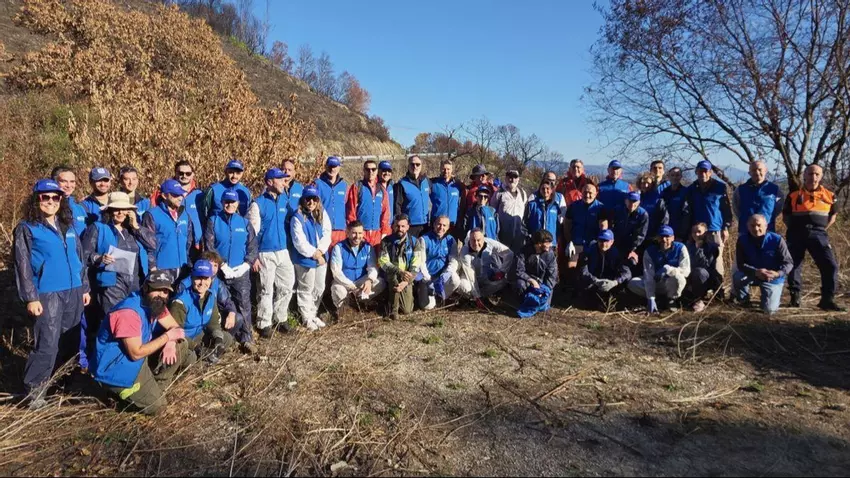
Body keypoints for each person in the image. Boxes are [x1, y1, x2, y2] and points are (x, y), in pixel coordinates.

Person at [14, 179, 91, 408]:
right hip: (48, 294)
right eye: (45, 197)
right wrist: (31, 297)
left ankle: (63, 384)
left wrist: (85, 287)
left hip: (74, 291)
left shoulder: (67, 225)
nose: (50, 201)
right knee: (47, 343)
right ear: (36, 199)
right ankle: (34, 393)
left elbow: (79, 259)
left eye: (55, 197)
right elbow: (22, 265)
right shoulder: (27, 228)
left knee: (71, 341)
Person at [91, 270, 194, 415]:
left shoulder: (156, 305)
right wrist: (167, 337)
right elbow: (135, 353)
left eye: (165, 291)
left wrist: (171, 342)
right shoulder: (128, 313)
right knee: (158, 408)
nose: (162, 295)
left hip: (137, 358)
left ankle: (155, 387)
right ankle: (113, 396)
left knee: (180, 345)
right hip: (116, 367)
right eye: (157, 289)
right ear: (146, 288)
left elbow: (175, 328)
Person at [81, 192, 156, 369]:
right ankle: (106, 365)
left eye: (124, 209)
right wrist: (99, 258)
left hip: (135, 283)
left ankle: (128, 364)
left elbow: (153, 244)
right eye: (116, 209)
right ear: (109, 210)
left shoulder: (132, 230)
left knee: (134, 322)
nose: (120, 213)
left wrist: (136, 226)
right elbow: (84, 255)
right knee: (114, 324)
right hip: (111, 284)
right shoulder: (98, 228)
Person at [783, 164, 845, 311]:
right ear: (804, 175)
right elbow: (786, 216)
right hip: (796, 233)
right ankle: (795, 297)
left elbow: (833, 216)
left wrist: (820, 229)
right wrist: (796, 229)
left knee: (830, 265)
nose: (813, 177)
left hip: (818, 234)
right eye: (810, 174)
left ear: (821, 176)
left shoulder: (830, 196)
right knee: (794, 265)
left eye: (817, 174)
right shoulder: (793, 195)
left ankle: (827, 300)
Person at [247, 168, 297, 338]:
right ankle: (264, 323)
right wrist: (253, 256)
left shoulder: (285, 200)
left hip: (283, 250)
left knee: (287, 285)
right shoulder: (257, 204)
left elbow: (295, 216)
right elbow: (252, 233)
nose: (284, 182)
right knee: (266, 289)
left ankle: (280, 318)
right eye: (280, 179)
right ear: (269, 182)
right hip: (265, 252)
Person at [204, 189, 258, 343]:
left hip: (240, 272)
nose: (229, 205)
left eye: (233, 202)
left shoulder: (244, 223)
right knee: (218, 303)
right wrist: (222, 265)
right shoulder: (213, 221)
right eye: (227, 202)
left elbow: (252, 246)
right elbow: (209, 245)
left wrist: (246, 264)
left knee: (243, 304)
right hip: (220, 272)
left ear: (237, 203)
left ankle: (246, 338)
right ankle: (219, 336)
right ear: (222, 203)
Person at [177, 251, 256, 354]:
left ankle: (219, 345)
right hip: (191, 326)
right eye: (210, 265)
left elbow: (227, 301)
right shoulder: (185, 285)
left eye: (216, 265)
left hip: (210, 318)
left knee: (236, 320)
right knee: (191, 354)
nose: (213, 269)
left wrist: (231, 313)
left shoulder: (216, 283)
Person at [169, 260, 232, 363]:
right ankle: (199, 359)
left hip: (199, 335)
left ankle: (207, 356)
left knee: (226, 338)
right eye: (198, 278)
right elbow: (175, 332)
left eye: (206, 278)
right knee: (191, 358)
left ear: (211, 279)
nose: (202, 283)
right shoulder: (180, 302)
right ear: (192, 278)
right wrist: (196, 347)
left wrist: (218, 339)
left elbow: (213, 323)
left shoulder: (210, 296)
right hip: (183, 340)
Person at [732, 215, 793, 315]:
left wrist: (777, 273)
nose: (756, 229)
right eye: (752, 226)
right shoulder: (742, 240)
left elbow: (788, 263)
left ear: (766, 226)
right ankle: (744, 301)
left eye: (759, 225)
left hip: (772, 277)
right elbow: (741, 264)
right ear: (748, 226)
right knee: (738, 277)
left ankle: (767, 299)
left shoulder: (777, 240)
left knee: (769, 311)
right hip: (753, 274)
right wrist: (755, 271)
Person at [290, 186, 332, 331]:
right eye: (308, 199)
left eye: (314, 199)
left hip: (321, 256)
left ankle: (313, 313)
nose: (311, 202)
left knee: (319, 287)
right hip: (305, 259)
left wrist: (321, 251)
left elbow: (327, 233)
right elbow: (299, 242)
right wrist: (315, 254)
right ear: (303, 199)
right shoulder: (297, 217)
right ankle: (306, 318)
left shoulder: (321, 213)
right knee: (306, 288)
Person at [683, 160, 733, 279]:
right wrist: (688, 231)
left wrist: (726, 227)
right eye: (700, 171)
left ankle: (718, 286)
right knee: (697, 259)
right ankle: (700, 286)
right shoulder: (691, 188)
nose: (703, 174)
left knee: (717, 261)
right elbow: (688, 211)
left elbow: (726, 209)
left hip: (714, 230)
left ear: (710, 172)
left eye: (705, 171)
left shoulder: (720, 187)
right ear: (696, 172)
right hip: (697, 232)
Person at [329, 220, 385, 321]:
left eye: (360, 233)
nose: (357, 236)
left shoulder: (367, 247)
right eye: (354, 233)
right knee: (337, 289)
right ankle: (343, 310)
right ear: (348, 233)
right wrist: (351, 287)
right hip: (345, 282)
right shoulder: (339, 247)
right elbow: (336, 272)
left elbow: (372, 266)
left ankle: (361, 302)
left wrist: (369, 280)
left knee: (380, 282)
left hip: (361, 281)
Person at [628, 226, 691, 313]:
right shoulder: (650, 251)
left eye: (667, 237)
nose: (664, 240)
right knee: (633, 283)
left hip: (671, 283)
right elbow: (648, 275)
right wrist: (651, 297)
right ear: (657, 238)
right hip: (657, 283)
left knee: (678, 278)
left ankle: (671, 300)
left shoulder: (680, 248)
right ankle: (656, 300)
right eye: (661, 237)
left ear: (673, 238)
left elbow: (686, 271)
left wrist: (669, 269)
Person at [142, 179, 195, 282]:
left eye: (181, 194)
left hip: (183, 267)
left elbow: (188, 241)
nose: (180, 198)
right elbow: (147, 244)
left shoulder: (184, 215)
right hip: (162, 268)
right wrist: (152, 267)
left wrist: (188, 261)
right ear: (164, 195)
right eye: (175, 195)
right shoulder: (152, 215)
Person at [457, 229, 514, 309]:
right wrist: (477, 296)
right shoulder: (465, 252)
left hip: (485, 275)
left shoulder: (490, 243)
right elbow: (471, 276)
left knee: (502, 281)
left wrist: (502, 271)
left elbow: (509, 253)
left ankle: (482, 296)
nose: (476, 243)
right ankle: (471, 298)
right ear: (469, 240)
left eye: (478, 240)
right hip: (468, 277)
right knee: (464, 286)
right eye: (473, 240)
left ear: (483, 239)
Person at [151, 160, 204, 245]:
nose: (184, 176)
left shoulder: (199, 194)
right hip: (172, 241)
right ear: (175, 173)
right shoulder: (164, 193)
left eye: (188, 173)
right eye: (181, 173)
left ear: (193, 174)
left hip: (196, 244)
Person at [379, 214, 420, 320]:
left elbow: (416, 264)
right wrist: (399, 271)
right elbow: (383, 262)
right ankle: (393, 311)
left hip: (407, 277)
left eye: (403, 226)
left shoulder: (414, 242)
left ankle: (399, 298)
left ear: (408, 227)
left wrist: (406, 281)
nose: (400, 229)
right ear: (393, 226)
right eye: (397, 226)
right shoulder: (385, 241)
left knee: (407, 310)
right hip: (391, 274)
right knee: (394, 277)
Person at [577, 229, 632, 309]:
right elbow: (583, 271)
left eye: (606, 241)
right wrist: (596, 281)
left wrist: (615, 282)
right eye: (601, 240)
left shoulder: (617, 254)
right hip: (593, 284)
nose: (603, 244)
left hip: (610, 284)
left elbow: (627, 273)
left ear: (612, 242)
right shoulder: (589, 251)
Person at [414, 216, 461, 310]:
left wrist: (447, 273)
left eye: (444, 225)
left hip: (442, 276)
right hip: (427, 276)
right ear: (434, 225)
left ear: (448, 227)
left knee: (455, 280)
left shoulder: (451, 240)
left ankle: (441, 296)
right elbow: (420, 262)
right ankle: (427, 293)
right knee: (427, 306)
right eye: (439, 224)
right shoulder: (424, 239)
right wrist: (428, 278)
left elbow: (454, 259)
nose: (441, 227)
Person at [345, 160, 391, 246]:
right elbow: (350, 211)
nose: (371, 172)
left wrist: (384, 232)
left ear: (377, 171)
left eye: (373, 169)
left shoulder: (381, 190)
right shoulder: (357, 187)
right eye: (368, 169)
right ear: (364, 171)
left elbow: (385, 213)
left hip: (376, 234)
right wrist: (355, 231)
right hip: (361, 233)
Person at [515, 230, 558, 318]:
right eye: (547, 243)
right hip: (528, 281)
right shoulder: (524, 252)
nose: (550, 245)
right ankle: (523, 303)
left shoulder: (550, 254)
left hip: (543, 283)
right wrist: (531, 280)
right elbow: (519, 270)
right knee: (520, 284)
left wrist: (544, 289)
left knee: (543, 307)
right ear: (539, 243)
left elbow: (552, 275)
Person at [563, 183, 605, 271]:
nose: (587, 195)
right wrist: (569, 241)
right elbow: (567, 225)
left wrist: (600, 244)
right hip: (576, 243)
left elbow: (603, 228)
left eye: (590, 193)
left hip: (593, 244)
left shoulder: (601, 208)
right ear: (581, 192)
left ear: (596, 194)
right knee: (571, 267)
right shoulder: (573, 206)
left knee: (591, 269)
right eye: (585, 192)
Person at [732, 160, 782, 233]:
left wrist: (766, 219)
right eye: (754, 170)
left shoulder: (775, 190)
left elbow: (779, 208)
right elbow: (736, 208)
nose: (757, 172)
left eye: (759, 169)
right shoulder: (740, 190)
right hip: (745, 232)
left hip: (767, 231)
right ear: (749, 173)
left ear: (765, 171)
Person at [685, 223, 722, 312]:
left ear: (705, 233)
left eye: (699, 232)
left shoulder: (712, 247)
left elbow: (706, 265)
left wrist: (698, 249)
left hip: (706, 276)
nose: (696, 234)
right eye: (694, 232)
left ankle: (699, 299)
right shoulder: (687, 247)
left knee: (700, 272)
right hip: (689, 275)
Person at [394, 155, 432, 237]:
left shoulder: (426, 181)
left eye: (417, 164)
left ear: (421, 166)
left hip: (425, 225)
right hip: (410, 225)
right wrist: (400, 224)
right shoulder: (402, 183)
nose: (415, 166)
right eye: (412, 164)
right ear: (408, 166)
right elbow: (397, 205)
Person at [490, 169, 528, 251]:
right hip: (503, 234)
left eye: (515, 177)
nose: (512, 180)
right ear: (506, 178)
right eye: (510, 177)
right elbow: (492, 212)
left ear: (518, 179)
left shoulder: (523, 194)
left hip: (518, 235)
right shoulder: (499, 193)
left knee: (517, 256)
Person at [316, 156, 348, 247]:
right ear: (325, 166)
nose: (332, 169)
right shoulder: (317, 184)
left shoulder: (344, 185)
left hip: (340, 230)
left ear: (339, 167)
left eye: (335, 166)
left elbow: (348, 207)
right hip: (323, 229)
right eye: (330, 166)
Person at [523, 180, 564, 251]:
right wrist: (528, 237)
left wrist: (557, 240)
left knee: (549, 258)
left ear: (551, 190)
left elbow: (559, 225)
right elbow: (524, 223)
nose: (545, 191)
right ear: (540, 190)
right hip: (535, 243)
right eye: (543, 188)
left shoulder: (556, 207)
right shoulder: (532, 205)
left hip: (550, 244)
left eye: (547, 188)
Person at [613, 191, 649, 268]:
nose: (632, 204)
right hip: (616, 244)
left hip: (632, 246)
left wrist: (633, 249)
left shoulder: (643, 214)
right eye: (630, 201)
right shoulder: (618, 210)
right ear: (625, 201)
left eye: (635, 201)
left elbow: (640, 235)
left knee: (632, 263)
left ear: (639, 202)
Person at [51, 165, 88, 236]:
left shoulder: (80, 208)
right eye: (63, 181)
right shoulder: (49, 206)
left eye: (72, 181)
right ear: (54, 182)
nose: (68, 185)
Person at [429, 159, 464, 234]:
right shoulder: (433, 184)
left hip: (453, 224)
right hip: (438, 224)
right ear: (440, 169)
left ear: (452, 170)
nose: (446, 171)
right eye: (443, 169)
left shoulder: (457, 185)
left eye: (448, 169)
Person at [635, 172, 669, 240]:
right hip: (638, 235)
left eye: (648, 183)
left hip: (653, 236)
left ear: (653, 184)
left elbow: (664, 218)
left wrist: (660, 233)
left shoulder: (657, 198)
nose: (646, 185)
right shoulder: (636, 198)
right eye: (643, 183)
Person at [662, 167, 689, 240]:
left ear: (681, 176)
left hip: (680, 231)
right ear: (669, 176)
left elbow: (687, 214)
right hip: (666, 229)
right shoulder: (665, 192)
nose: (674, 177)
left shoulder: (686, 192)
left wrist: (682, 234)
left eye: (677, 175)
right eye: (672, 175)